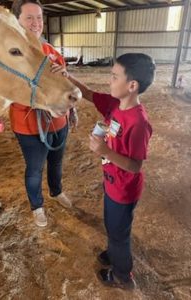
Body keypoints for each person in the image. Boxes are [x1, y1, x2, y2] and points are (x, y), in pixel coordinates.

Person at [52, 53, 155, 289]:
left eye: (114, 76)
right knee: (112, 224)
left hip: (124, 189)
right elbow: (88, 94)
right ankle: (113, 251)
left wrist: (105, 151)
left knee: (119, 233)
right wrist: (69, 77)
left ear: (132, 86)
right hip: (112, 182)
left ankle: (122, 275)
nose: (109, 80)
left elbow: (135, 165)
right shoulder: (115, 104)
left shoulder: (138, 123)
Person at [10, 0, 77, 227]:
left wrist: (63, 75)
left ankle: (56, 192)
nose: (36, 23)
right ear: (17, 20)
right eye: (29, 17)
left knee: (56, 163)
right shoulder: (11, 56)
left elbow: (64, 86)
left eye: (39, 17)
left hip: (59, 121)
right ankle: (37, 206)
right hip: (29, 125)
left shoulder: (51, 52)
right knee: (35, 168)